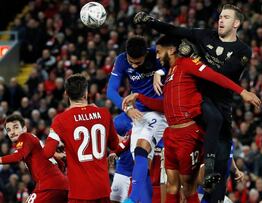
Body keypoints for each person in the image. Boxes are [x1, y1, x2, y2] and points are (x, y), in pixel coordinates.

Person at [134, 4, 254, 200]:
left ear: (237, 23)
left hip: (222, 103)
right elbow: (176, 31)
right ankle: (207, 168)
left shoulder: (243, 50)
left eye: (226, 17)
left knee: (219, 174)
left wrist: (197, 60)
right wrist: (150, 22)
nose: (220, 20)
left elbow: (225, 74)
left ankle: (212, 181)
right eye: (220, 16)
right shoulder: (206, 36)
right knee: (184, 180)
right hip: (199, 103)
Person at [43, 74, 129, 203]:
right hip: (102, 188)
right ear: (86, 92)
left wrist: (59, 155)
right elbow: (115, 145)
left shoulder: (60, 120)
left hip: (79, 192)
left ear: (66, 93)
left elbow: (47, 153)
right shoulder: (104, 113)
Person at [106, 35, 168, 203]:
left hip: (159, 112)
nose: (134, 65)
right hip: (137, 113)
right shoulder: (121, 60)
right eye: (131, 62)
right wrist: (127, 108)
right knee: (141, 162)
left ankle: (132, 199)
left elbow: (177, 63)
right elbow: (111, 91)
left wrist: (160, 71)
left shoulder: (157, 55)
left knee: (142, 149)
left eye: (138, 63)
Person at [0, 114, 68, 203]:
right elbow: (60, 163)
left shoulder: (25, 137)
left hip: (48, 185)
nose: (12, 132)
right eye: (8, 130)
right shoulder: (34, 143)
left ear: (24, 129)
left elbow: (17, 157)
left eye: (16, 127)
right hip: (62, 185)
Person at [109, 113, 133, 203]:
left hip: (141, 174)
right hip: (123, 171)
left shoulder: (150, 116)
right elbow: (112, 140)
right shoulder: (119, 121)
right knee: (114, 200)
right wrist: (113, 152)